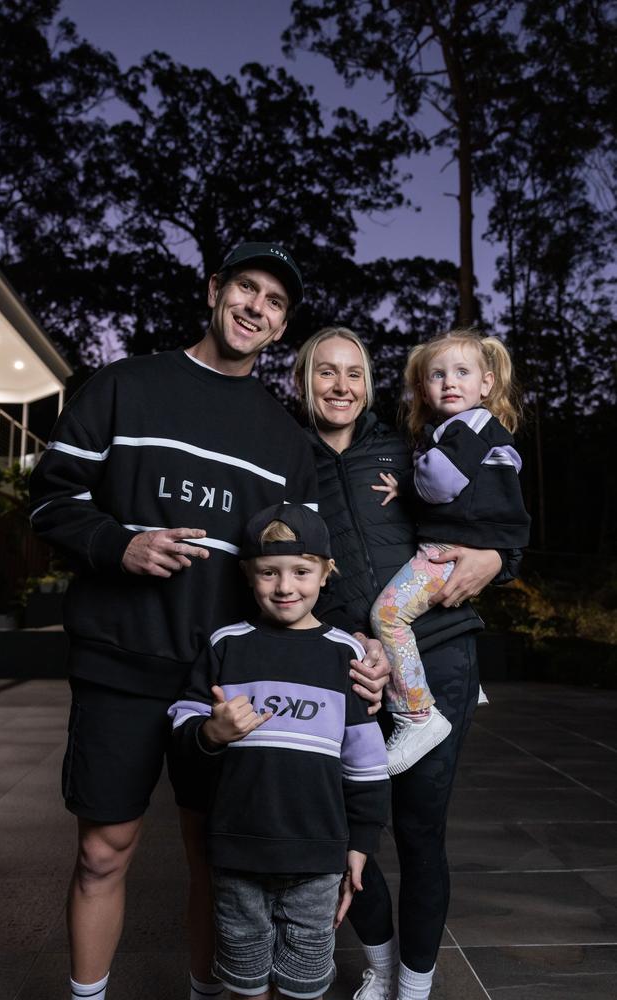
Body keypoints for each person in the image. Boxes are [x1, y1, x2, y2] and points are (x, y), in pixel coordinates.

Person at [28, 244, 391, 1000]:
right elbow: (51, 498)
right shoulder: (125, 386)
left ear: (281, 324)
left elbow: (315, 568)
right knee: (104, 851)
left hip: (232, 687)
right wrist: (117, 543)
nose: (257, 307)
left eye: (276, 303)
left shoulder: (285, 441)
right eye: (246, 289)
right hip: (121, 664)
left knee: (216, 863)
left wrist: (360, 643)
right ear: (215, 290)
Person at [294, 326, 521, 1000]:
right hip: (347, 669)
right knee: (347, 828)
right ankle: (380, 965)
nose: (341, 386)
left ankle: (416, 985)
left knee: (421, 829)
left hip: (442, 652)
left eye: (355, 373)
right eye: (326, 373)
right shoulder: (282, 457)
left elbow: (490, 523)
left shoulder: (408, 447)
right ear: (302, 381)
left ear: (370, 384)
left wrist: (496, 561)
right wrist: (344, 645)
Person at [168, 503, 390, 1000]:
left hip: (318, 852)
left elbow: (367, 762)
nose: (285, 586)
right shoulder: (228, 645)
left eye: (301, 571)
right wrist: (211, 732)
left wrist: (361, 843)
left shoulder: (344, 653)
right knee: (245, 980)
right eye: (269, 572)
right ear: (248, 575)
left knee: (306, 980)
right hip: (236, 847)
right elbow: (182, 720)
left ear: (326, 574)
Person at [369, 330, 530, 775]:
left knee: (387, 615)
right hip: (463, 543)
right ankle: (466, 684)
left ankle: (417, 714)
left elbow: (440, 482)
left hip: (446, 550)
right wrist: (407, 483)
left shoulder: (468, 426)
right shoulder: (462, 430)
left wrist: (413, 478)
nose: (449, 382)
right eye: (437, 375)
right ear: (423, 388)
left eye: (462, 372)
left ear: (487, 383)